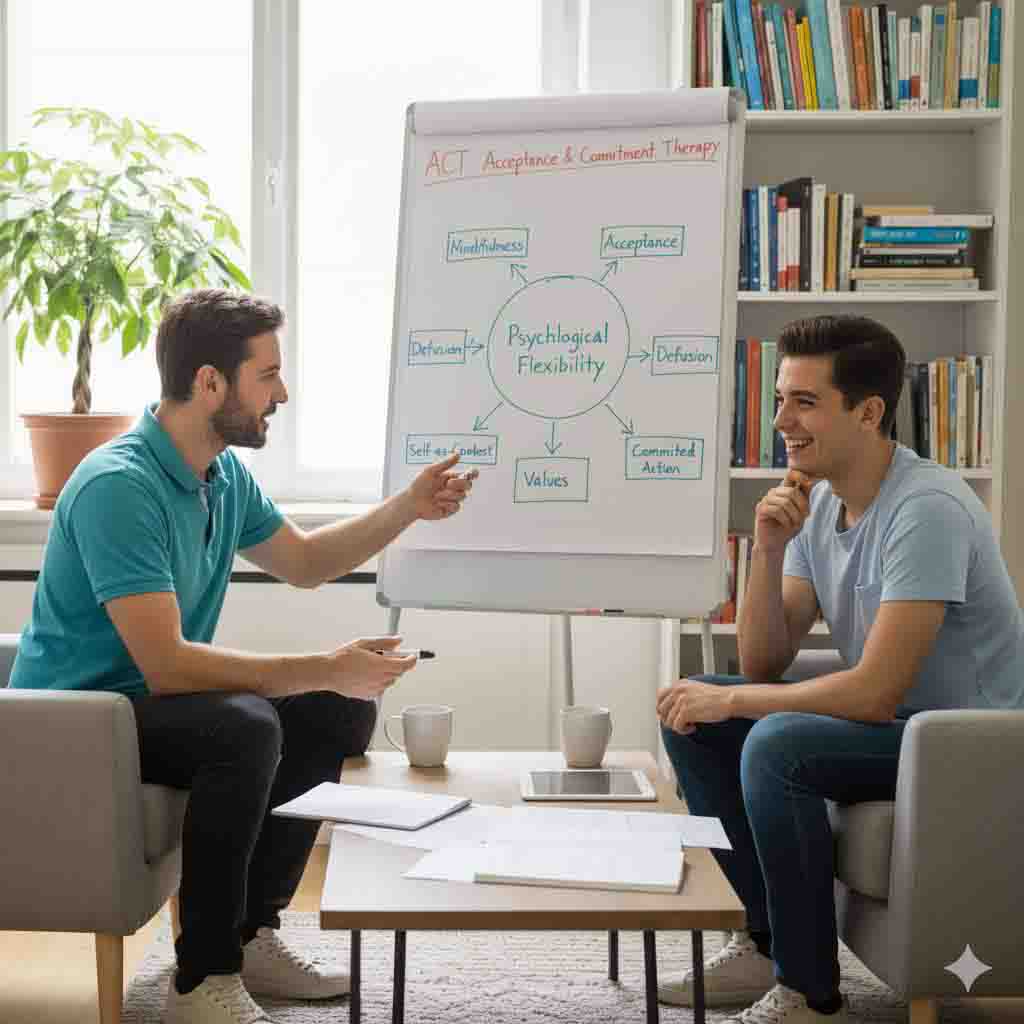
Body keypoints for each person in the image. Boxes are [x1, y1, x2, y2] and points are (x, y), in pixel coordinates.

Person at [9, 289, 478, 1024]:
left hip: (145, 709)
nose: (281, 393)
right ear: (209, 383)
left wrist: (409, 506)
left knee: (338, 707)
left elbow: (307, 561)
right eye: (268, 375)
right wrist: (323, 662)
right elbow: (166, 666)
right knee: (247, 725)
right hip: (76, 724)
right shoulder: (118, 487)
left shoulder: (220, 475)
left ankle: (250, 932)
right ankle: (201, 979)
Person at [654, 314, 1024, 1024]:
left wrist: (741, 707)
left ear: (869, 411)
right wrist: (766, 550)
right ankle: (766, 944)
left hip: (969, 745)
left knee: (774, 739)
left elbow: (876, 691)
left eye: (803, 401)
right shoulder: (820, 501)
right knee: (695, 707)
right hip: (903, 732)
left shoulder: (928, 508)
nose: (781, 420)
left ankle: (809, 992)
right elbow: (765, 660)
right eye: (779, 399)